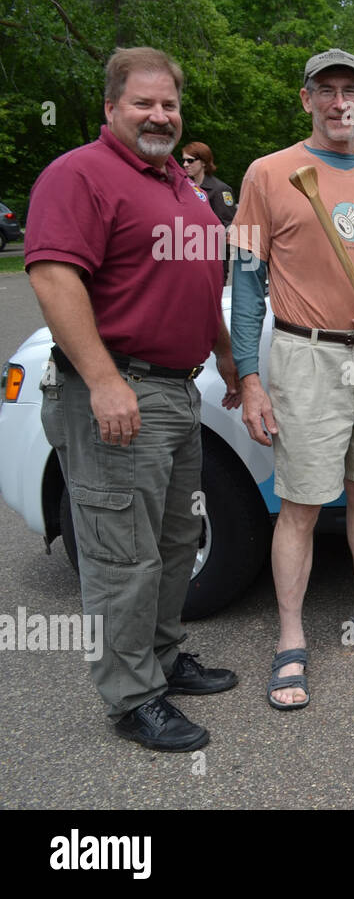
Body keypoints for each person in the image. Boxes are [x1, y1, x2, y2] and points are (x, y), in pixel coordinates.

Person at [24, 47, 241, 750]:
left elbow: (200, 287)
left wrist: (229, 361)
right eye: (143, 103)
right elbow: (55, 277)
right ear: (110, 108)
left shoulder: (180, 186)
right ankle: (131, 698)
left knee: (175, 541)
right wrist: (105, 380)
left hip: (176, 394)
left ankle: (163, 657)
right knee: (122, 553)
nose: (159, 114)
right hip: (116, 393)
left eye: (169, 104)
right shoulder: (78, 175)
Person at [230, 48, 354, 710]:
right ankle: (291, 641)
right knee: (302, 504)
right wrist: (251, 380)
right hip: (304, 357)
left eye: (351, 90)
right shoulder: (270, 174)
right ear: (307, 99)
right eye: (327, 90)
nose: (339, 101)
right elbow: (247, 286)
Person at [182, 141, 237, 279]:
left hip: (213, 261)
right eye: (183, 160)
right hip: (187, 259)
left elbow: (228, 228)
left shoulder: (220, 190)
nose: (185, 164)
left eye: (190, 160)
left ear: (204, 162)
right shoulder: (186, 187)